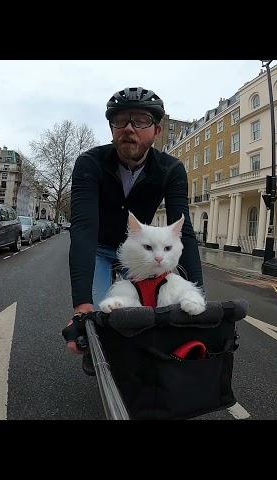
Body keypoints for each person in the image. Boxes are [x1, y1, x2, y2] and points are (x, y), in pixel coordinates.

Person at [66, 86, 204, 371]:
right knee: (104, 311)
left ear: (157, 131)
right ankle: (103, 351)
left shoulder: (171, 169)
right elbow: (82, 229)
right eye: (120, 120)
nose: (129, 128)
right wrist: (81, 304)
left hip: (138, 255)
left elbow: (184, 231)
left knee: (158, 307)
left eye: (140, 120)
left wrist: (198, 292)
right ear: (111, 128)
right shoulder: (89, 163)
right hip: (99, 247)